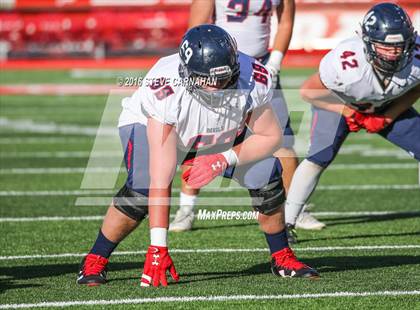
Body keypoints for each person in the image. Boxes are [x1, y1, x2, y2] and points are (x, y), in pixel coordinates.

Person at [77, 25, 319, 287]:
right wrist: (158, 248)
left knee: (266, 174)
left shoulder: (252, 76)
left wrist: (223, 159)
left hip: (218, 134)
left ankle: (281, 255)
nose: (215, 87)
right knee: (143, 187)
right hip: (154, 125)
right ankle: (95, 259)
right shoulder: (166, 88)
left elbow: (270, 136)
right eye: (207, 79)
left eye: (222, 78)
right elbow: (162, 178)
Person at [169, 0, 325, 235]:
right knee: (202, 138)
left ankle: (294, 209)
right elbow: (196, 30)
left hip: (261, 68)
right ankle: (186, 209)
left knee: (282, 140)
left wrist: (274, 62)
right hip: (217, 71)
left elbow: (285, 22)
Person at [284, 2, 419, 239]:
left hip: (386, 105)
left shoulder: (416, 58)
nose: (394, 54)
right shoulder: (346, 63)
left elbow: (416, 87)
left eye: (399, 47)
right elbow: (309, 91)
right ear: (367, 42)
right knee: (319, 156)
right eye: (385, 47)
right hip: (338, 103)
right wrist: (350, 114)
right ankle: (287, 221)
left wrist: (389, 116)